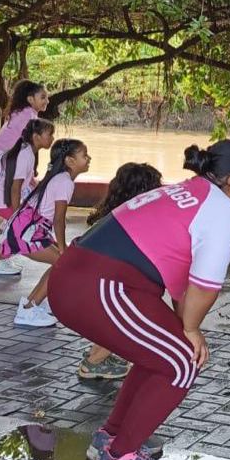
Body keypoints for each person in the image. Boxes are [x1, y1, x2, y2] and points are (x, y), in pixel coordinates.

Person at [47, 140, 230, 460]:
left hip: (85, 278)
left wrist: (184, 328)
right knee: (181, 360)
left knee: (163, 354)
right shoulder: (221, 208)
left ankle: (112, 437)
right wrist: (191, 330)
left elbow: (180, 287)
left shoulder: (189, 192)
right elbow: (204, 287)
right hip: (101, 284)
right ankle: (120, 459)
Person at [77, 162, 163, 381]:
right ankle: (94, 362)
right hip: (100, 290)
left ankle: (98, 354)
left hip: (88, 285)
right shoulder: (136, 221)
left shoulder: (110, 214)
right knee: (137, 311)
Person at [0, 139, 90, 327]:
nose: (89, 158)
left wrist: (60, 247)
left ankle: (31, 305)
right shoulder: (65, 182)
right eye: (84, 155)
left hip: (28, 229)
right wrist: (62, 248)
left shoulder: (61, 179)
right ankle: (29, 309)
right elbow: (58, 219)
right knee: (63, 264)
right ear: (70, 161)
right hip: (27, 233)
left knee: (60, 264)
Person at [0, 118, 55, 275]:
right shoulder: (25, 154)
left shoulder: (27, 151)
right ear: (36, 137)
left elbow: (26, 182)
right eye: (49, 134)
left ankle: (3, 242)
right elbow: (15, 187)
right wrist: (16, 214)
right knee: (22, 227)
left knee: (25, 222)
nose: (52, 138)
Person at [0, 80, 49, 171]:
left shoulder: (21, 112)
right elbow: (30, 147)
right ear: (30, 99)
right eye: (43, 98)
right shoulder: (29, 116)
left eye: (47, 98)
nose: (47, 101)